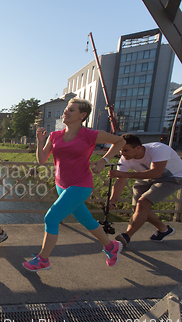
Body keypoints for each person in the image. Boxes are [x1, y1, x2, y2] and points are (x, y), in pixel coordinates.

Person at [23, 98, 126, 272]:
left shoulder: (90, 134)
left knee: (51, 218)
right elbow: (41, 160)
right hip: (61, 185)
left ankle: (43, 260)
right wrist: (40, 141)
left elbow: (121, 141)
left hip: (81, 185)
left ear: (82, 115)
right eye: (66, 109)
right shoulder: (55, 136)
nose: (65, 112)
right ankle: (111, 246)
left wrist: (104, 160)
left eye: (71, 110)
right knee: (86, 220)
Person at [108, 133, 182, 247]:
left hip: (172, 177)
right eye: (120, 151)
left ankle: (127, 235)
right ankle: (164, 230)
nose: (122, 154)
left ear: (138, 147)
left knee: (143, 203)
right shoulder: (124, 158)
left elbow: (156, 172)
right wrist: (112, 200)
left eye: (125, 150)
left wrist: (124, 174)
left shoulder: (158, 149)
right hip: (147, 176)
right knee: (136, 208)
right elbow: (120, 180)